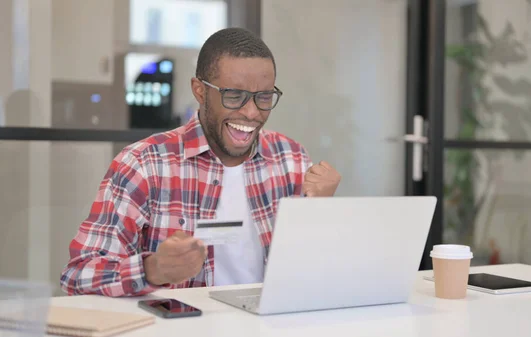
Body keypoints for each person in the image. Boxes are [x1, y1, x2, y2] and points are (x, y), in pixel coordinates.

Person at [59, 28, 341, 297]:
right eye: (234, 95)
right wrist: (153, 269)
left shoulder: (291, 159)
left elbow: (316, 274)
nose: (251, 112)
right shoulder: (144, 164)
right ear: (200, 91)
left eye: (263, 97)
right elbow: (78, 275)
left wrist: (321, 212)